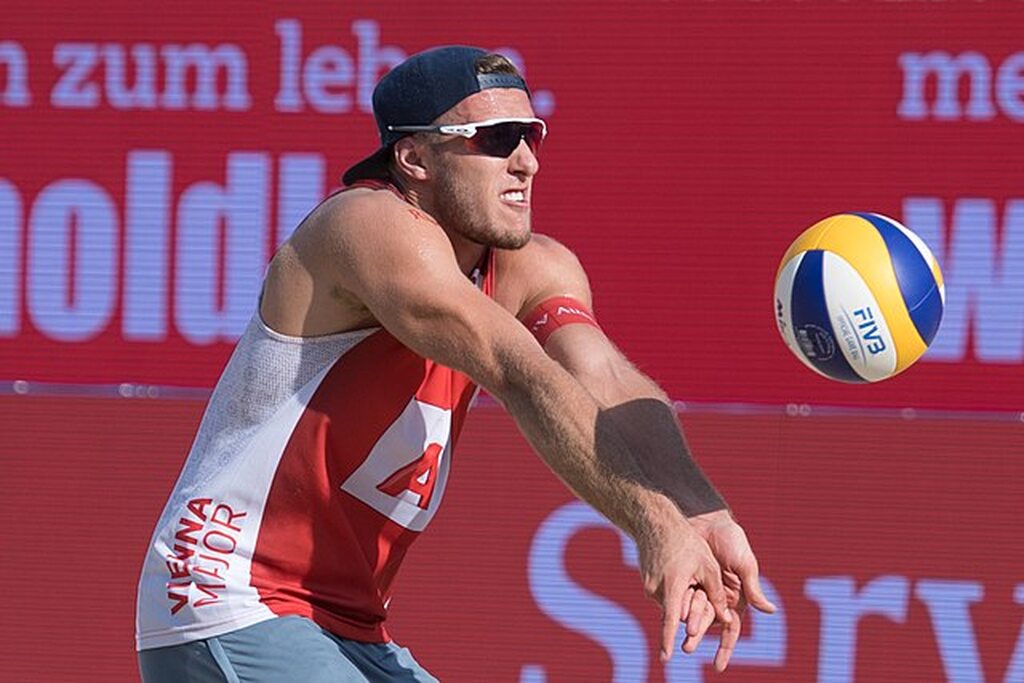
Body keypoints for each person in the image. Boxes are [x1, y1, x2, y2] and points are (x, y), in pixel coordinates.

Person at [135, 45, 775, 682]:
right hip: (228, 594)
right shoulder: (367, 224)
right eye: (496, 138)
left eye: (531, 135)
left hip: (350, 626)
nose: (526, 161)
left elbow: (606, 381)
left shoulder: (535, 266)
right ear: (414, 158)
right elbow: (519, 370)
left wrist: (700, 511)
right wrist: (653, 520)